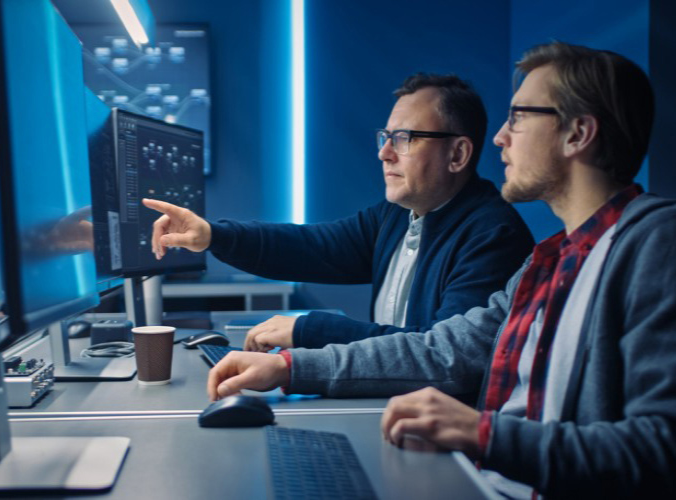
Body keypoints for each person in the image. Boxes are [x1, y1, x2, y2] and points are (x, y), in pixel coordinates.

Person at [205, 41, 676, 497]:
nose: (500, 137)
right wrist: (290, 367)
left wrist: (483, 434)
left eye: (518, 117)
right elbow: (443, 349)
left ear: (577, 134)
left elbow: (659, 450)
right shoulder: (548, 260)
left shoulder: (654, 242)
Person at [144, 74, 533, 353]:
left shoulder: (492, 235)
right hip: (393, 403)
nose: (385, 153)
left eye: (405, 139)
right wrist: (212, 235)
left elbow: (437, 354)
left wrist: (310, 330)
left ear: (458, 154)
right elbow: (311, 247)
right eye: (386, 137)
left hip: (441, 431)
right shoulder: (397, 216)